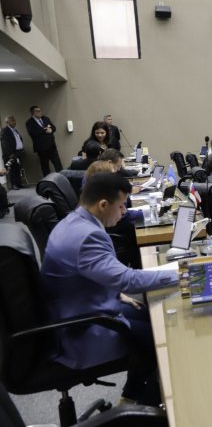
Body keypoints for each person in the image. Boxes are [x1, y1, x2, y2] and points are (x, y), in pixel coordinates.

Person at [39, 172, 177, 405]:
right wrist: (178, 273)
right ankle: (144, 410)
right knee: (165, 340)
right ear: (103, 204)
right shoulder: (87, 236)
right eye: (122, 205)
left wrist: (118, 294)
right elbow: (128, 280)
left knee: (150, 317)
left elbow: (88, 276)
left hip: (79, 309)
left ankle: (131, 395)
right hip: (80, 330)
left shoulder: (73, 222)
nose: (124, 212)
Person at [25, 105, 63, 175]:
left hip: (52, 146)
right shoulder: (29, 123)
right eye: (37, 111)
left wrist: (51, 129)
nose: (40, 112)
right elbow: (33, 133)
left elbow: (54, 127)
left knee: (58, 164)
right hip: (41, 148)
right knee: (45, 166)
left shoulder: (45, 118)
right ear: (33, 113)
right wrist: (45, 130)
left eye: (40, 110)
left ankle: (62, 179)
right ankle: (48, 182)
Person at [1, 115, 25, 189]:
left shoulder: (15, 129)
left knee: (18, 168)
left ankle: (19, 184)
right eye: (12, 121)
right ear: (7, 122)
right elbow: (4, 144)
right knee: (12, 169)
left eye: (15, 120)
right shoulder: (5, 131)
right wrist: (10, 154)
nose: (14, 122)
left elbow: (18, 140)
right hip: (11, 154)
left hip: (18, 152)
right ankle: (14, 185)